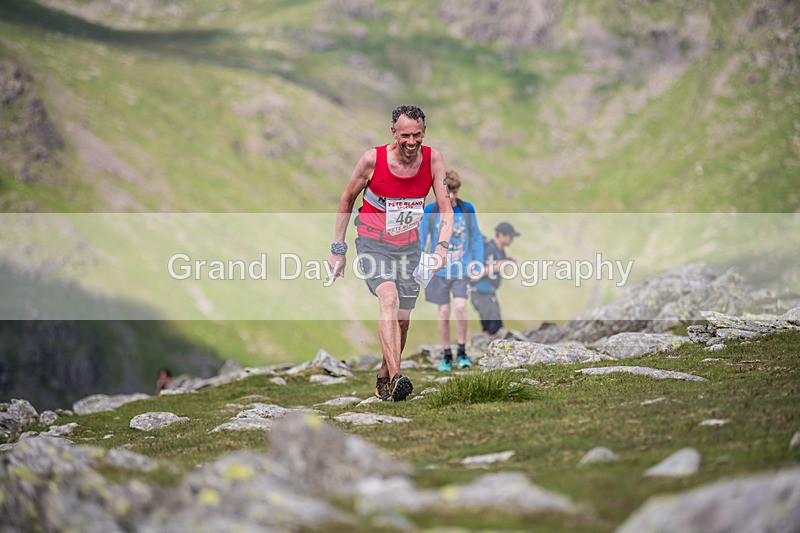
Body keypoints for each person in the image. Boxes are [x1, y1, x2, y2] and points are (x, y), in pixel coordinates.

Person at [327, 105, 453, 401]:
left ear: (424, 132)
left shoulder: (433, 159)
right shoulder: (372, 160)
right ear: (393, 132)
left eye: (417, 135)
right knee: (389, 299)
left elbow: (445, 207)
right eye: (405, 135)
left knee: (404, 320)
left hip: (409, 247)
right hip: (373, 243)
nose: (411, 142)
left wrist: (441, 247)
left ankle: (385, 374)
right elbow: (347, 199)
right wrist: (338, 249)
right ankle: (398, 377)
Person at [419, 169, 484, 371]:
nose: (451, 196)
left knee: (461, 308)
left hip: (461, 270)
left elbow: (475, 237)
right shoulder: (430, 211)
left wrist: (477, 262)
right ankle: (447, 355)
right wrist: (419, 263)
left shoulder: (466, 209)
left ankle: (462, 351)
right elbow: (422, 239)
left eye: (455, 191)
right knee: (444, 311)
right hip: (437, 271)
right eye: (448, 192)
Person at [471, 222, 520, 335]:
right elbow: (474, 272)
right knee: (494, 329)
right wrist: (496, 267)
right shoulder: (488, 249)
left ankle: (485, 347)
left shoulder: (500, 251)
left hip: (489, 293)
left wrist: (507, 260)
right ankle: (485, 348)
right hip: (480, 293)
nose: (512, 240)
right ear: (501, 235)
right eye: (510, 236)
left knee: (494, 328)